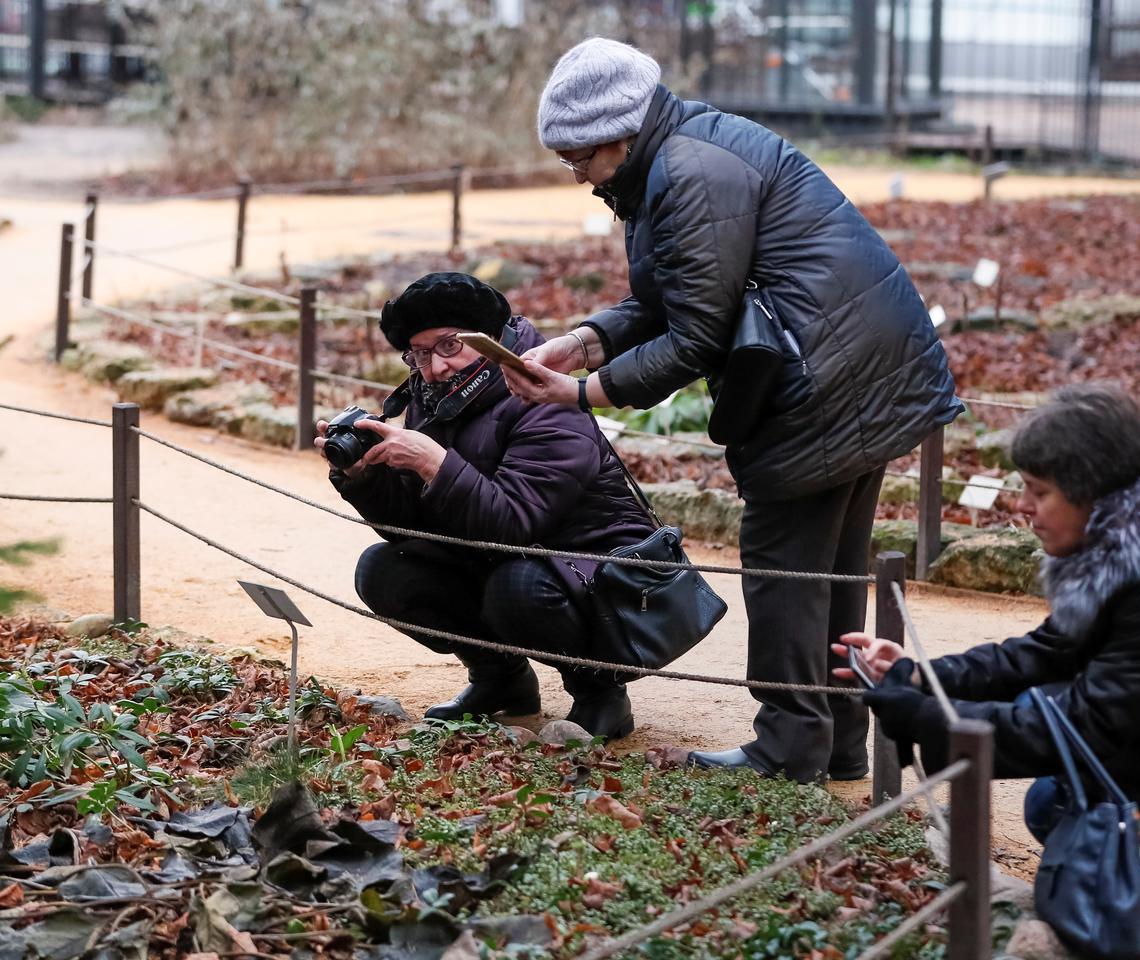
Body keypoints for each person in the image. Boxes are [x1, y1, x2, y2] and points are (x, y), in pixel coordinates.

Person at [502, 37, 963, 783]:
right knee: (832, 570)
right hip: (864, 371)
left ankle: (786, 747)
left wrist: (586, 393)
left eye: (578, 157)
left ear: (617, 133)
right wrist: (585, 343)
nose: (576, 174)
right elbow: (674, 293)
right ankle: (836, 740)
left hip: (821, 382)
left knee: (782, 568)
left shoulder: (686, 172)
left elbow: (695, 335)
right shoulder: (678, 154)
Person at [836, 385, 1140, 959]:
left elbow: (1086, 722)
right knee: (1053, 801)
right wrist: (925, 678)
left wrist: (932, 721)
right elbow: (1045, 652)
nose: (1020, 507)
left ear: (1093, 493)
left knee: (1071, 803)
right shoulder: (1139, 548)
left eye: (1038, 492)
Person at [316, 272, 655, 739]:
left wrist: (436, 464)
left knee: (519, 586)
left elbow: (516, 521)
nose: (435, 367)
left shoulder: (546, 396)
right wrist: (364, 478)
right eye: (418, 354)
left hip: (598, 571)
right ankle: (500, 680)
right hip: (506, 557)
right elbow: (417, 529)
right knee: (384, 569)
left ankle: (600, 693)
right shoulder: (434, 400)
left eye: (449, 345)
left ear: (492, 337)